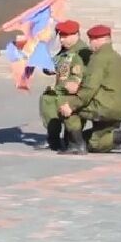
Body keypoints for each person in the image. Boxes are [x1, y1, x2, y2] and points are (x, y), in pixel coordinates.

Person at [58, 25, 121, 155]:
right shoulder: (117, 58)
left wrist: (71, 105)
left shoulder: (98, 58)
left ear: (100, 40)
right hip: (118, 110)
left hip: (103, 108)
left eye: (91, 40)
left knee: (66, 105)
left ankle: (76, 145)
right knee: (95, 143)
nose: (90, 43)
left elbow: (90, 88)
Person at [39, 20, 91, 151]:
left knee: (71, 137)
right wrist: (48, 69)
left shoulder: (83, 52)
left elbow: (83, 75)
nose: (62, 40)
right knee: (47, 98)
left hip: (74, 94)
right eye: (61, 36)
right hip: (60, 91)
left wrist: (74, 84)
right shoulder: (64, 51)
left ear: (76, 35)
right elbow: (54, 63)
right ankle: (53, 139)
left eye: (65, 36)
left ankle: (72, 140)